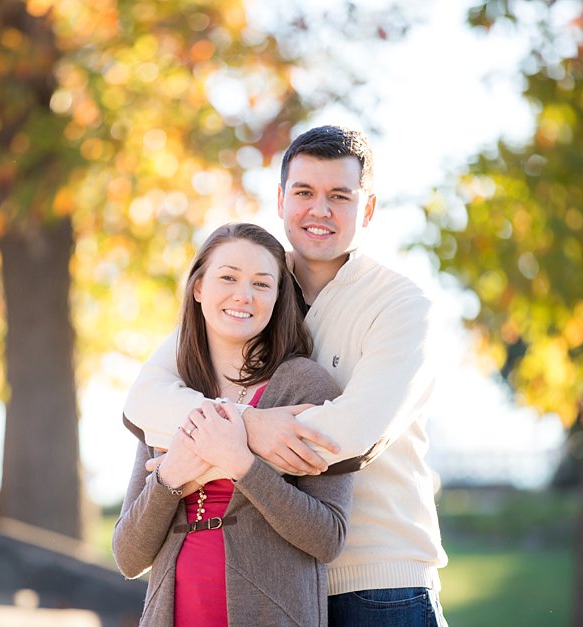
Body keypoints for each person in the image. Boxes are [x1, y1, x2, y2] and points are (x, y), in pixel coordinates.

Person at [123, 125, 449, 626]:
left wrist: (221, 442)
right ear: (280, 199)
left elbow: (352, 436)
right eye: (304, 192)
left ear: (367, 209)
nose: (319, 210)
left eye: (339, 196)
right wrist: (246, 426)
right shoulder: (254, 288)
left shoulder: (400, 306)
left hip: (379, 583)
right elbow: (145, 401)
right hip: (283, 577)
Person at [112, 223, 353, 626]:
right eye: (228, 277)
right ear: (199, 288)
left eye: (262, 284)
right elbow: (127, 555)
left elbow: (327, 538)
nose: (243, 295)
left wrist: (241, 463)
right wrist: (171, 476)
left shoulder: (306, 386)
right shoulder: (169, 395)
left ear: (278, 298)